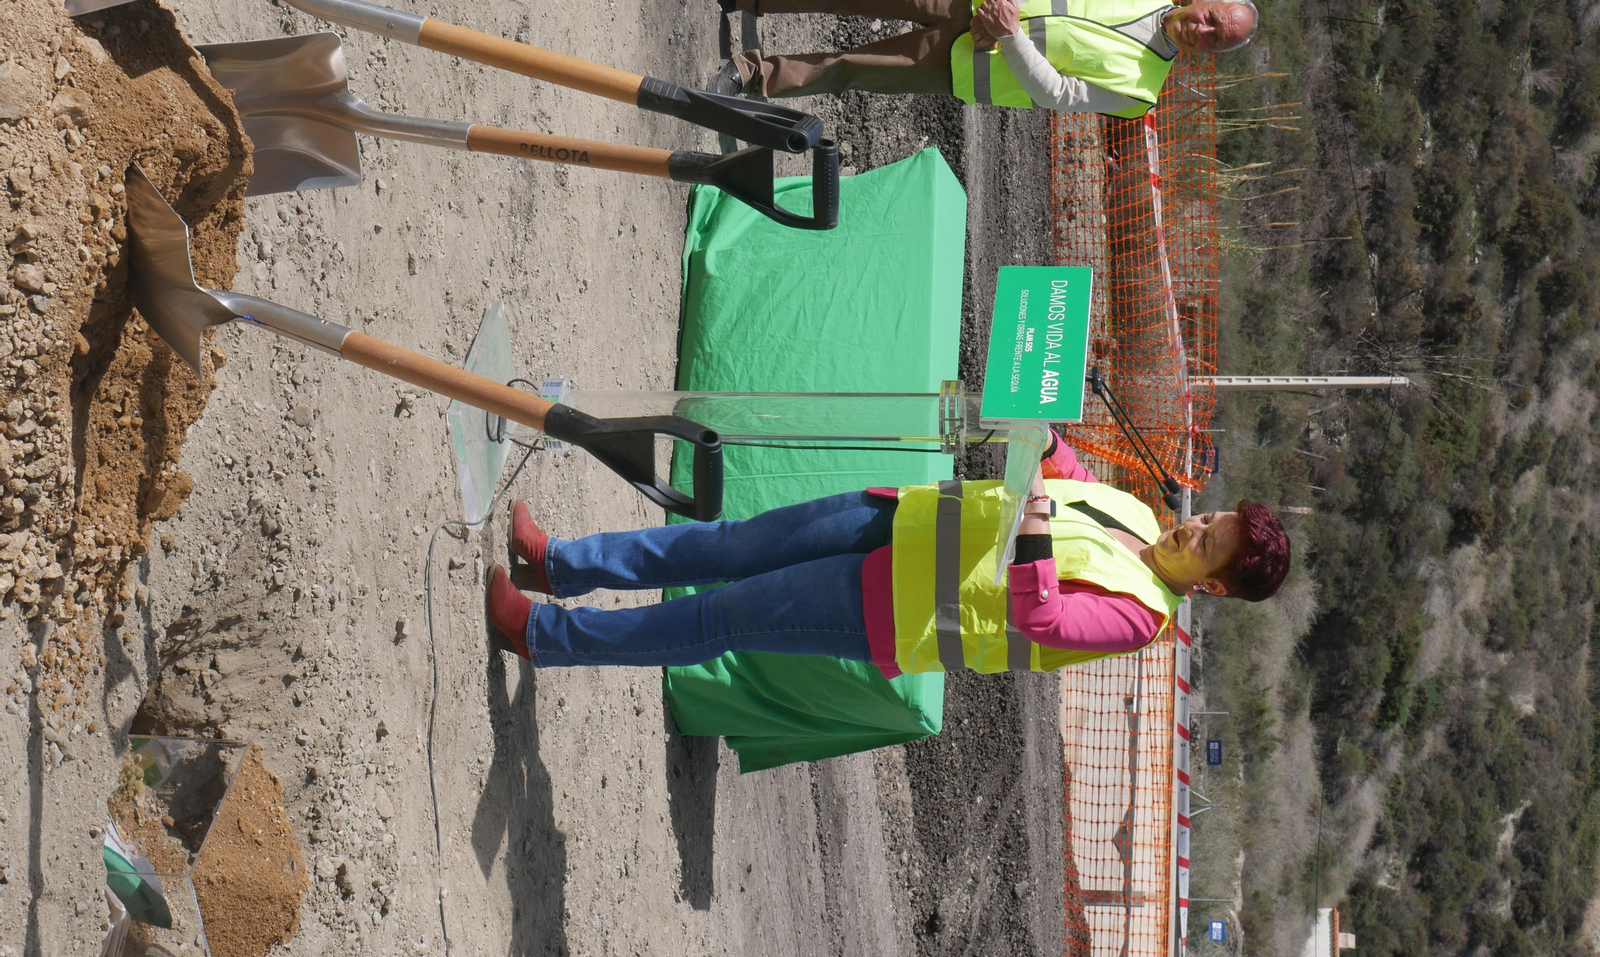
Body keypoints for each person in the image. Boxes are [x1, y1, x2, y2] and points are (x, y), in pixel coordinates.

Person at [485, 433, 1290, 674]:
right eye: (1209, 517)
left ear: (1210, 588)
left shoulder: (1139, 619)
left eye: (1207, 544)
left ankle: (546, 636)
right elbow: (1069, 477)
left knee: (720, 617)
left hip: (895, 609)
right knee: (724, 543)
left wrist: (1037, 520)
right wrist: (1049, 443)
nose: (1195, 527)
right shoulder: (1139, 512)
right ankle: (561, 563)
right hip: (900, 521)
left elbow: (1040, 613)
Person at [707, 0, 1258, 116]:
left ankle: (753, 75)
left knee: (850, 68)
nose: (1203, 31)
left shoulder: (1141, 93)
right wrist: (1006, 1)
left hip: (968, 65)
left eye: (1216, 40)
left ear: (1212, 56)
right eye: (1211, 19)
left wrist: (1009, 34)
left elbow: (1060, 95)